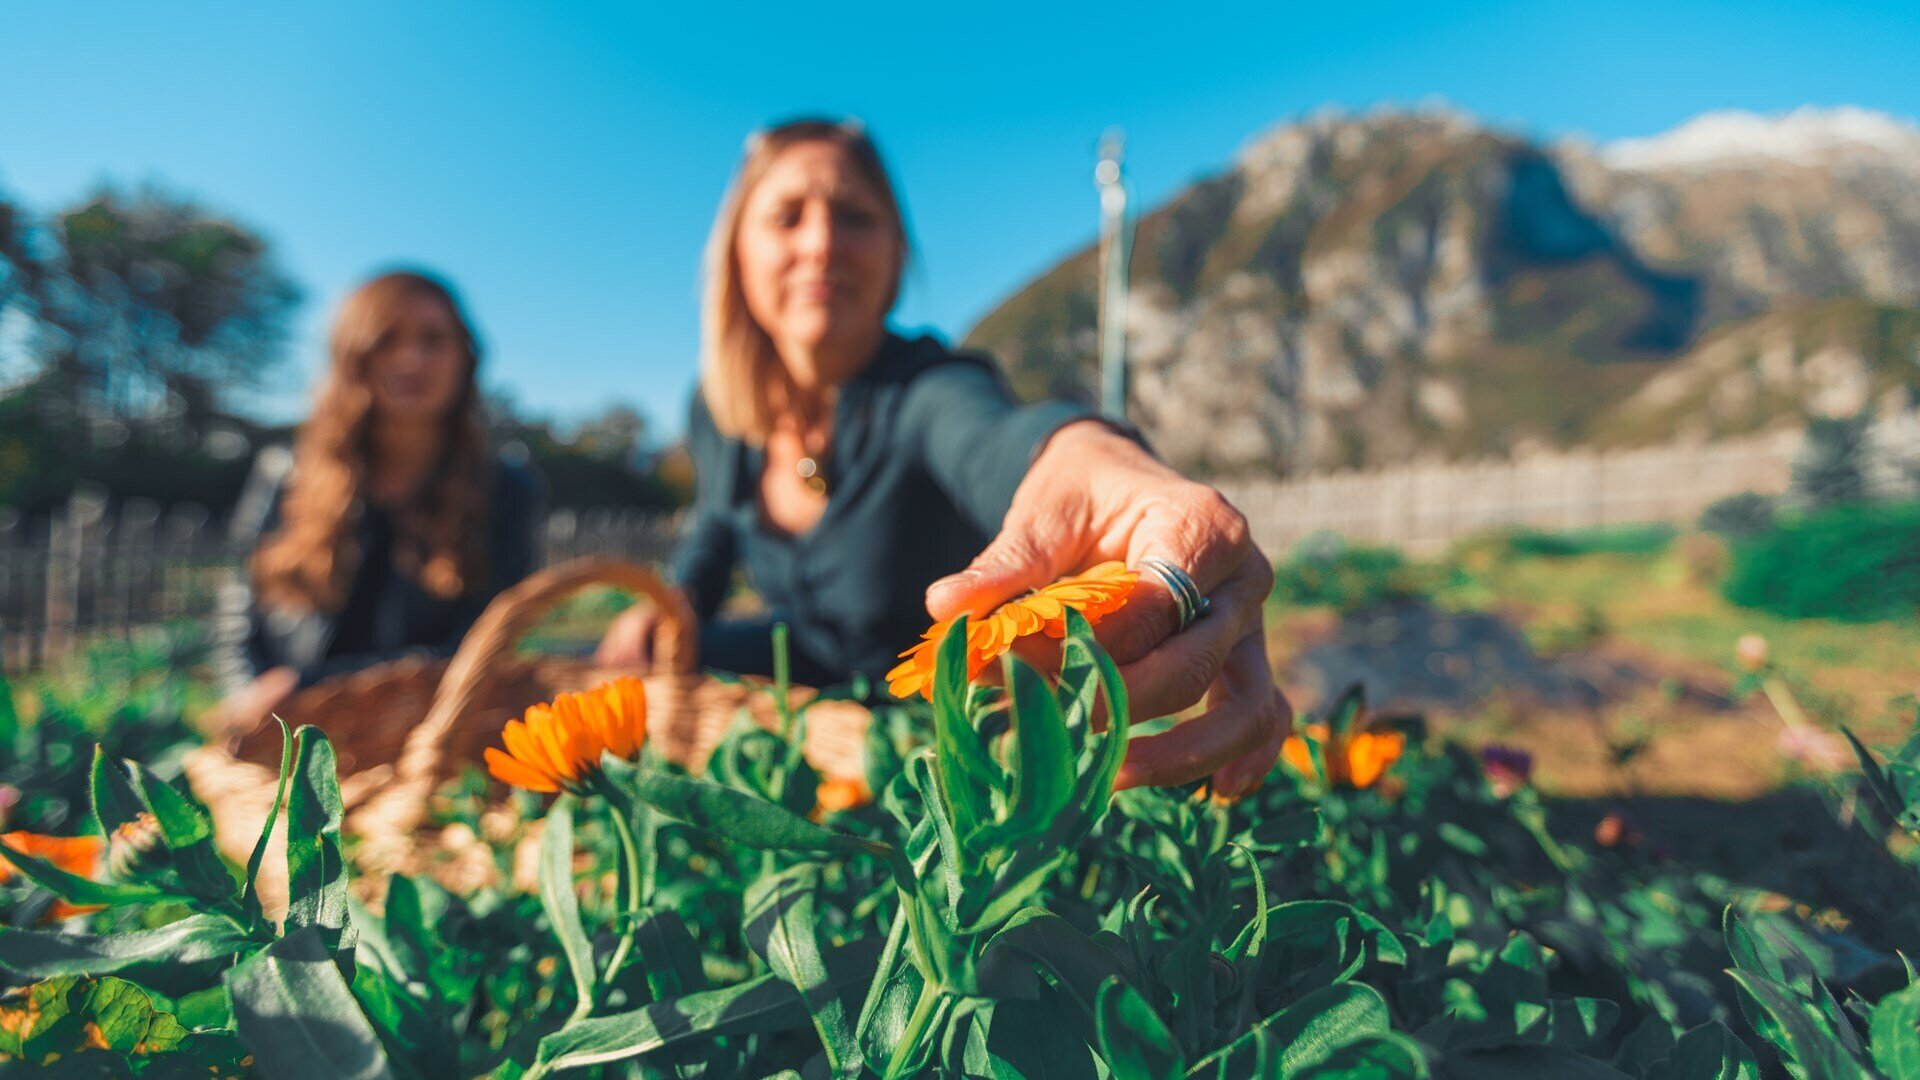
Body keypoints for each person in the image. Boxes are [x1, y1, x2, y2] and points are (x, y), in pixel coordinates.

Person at [597, 119, 1286, 798]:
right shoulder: (716, 411)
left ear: (896, 253)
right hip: (801, 689)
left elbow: (995, 439)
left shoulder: (927, 388)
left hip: (933, 726)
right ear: (737, 253)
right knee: (605, 675)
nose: (822, 243)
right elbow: (713, 534)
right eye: (786, 217)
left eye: (854, 216)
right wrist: (669, 608)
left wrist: (1092, 457)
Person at [213, 270, 544, 729]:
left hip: (423, 732)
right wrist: (247, 693)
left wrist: (311, 684)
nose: (412, 359)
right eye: (387, 339)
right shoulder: (285, 472)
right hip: (285, 732)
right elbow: (239, 609)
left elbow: (484, 640)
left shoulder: (505, 487)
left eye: (433, 339)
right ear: (353, 356)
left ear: (465, 359)